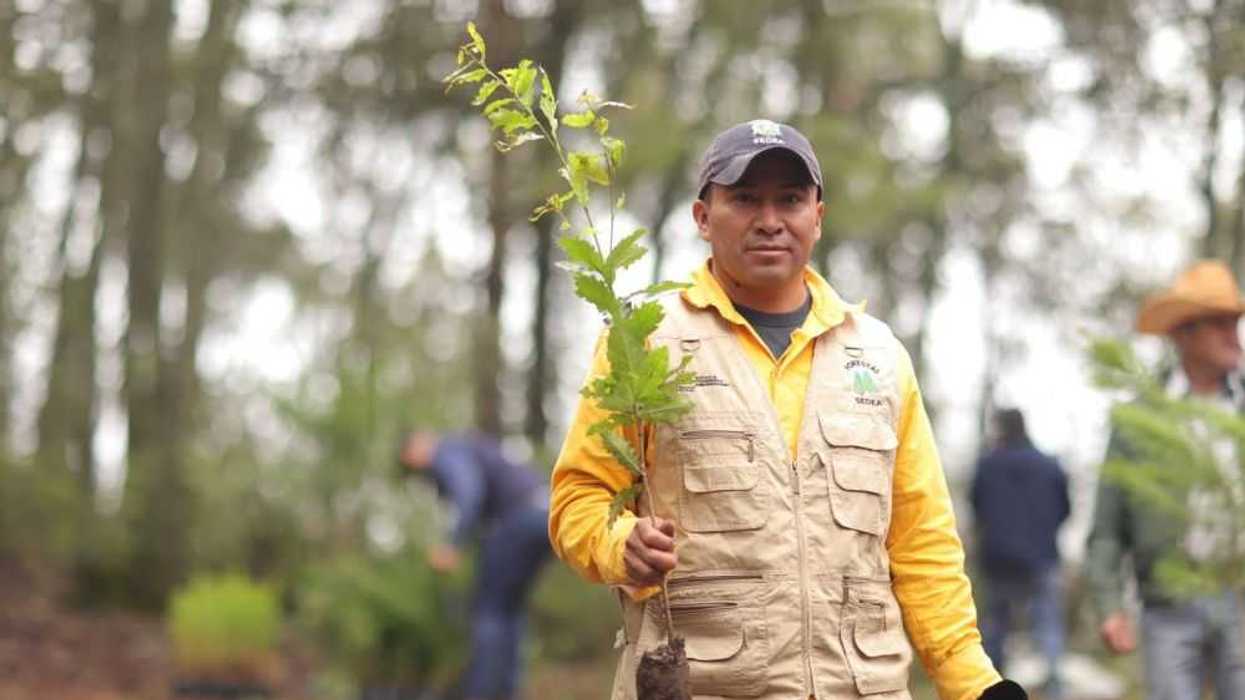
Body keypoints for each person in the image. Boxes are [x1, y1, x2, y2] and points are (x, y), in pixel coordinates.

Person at [549, 119, 1024, 700]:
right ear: (703, 217)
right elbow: (579, 499)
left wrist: (974, 682)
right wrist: (621, 544)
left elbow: (921, 541)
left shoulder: (879, 356)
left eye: (791, 200)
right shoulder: (645, 342)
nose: (770, 220)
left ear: (818, 217)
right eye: (745, 198)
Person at [1085, 259, 1245, 699]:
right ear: (1183, 333)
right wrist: (1110, 605)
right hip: (1168, 604)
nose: (1235, 335)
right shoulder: (1140, 421)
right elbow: (1106, 528)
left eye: (1237, 322)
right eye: (1220, 323)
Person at [399, 431, 551, 700]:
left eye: (410, 461)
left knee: (489, 610)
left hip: (518, 519)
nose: (417, 470)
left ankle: (484, 694)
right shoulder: (469, 446)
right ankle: (508, 691)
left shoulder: (447, 452)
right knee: (509, 608)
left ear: (418, 444)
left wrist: (452, 545)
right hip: (546, 514)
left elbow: (469, 491)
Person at [970, 408, 1070, 698]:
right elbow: (1065, 509)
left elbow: (977, 506)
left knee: (995, 629)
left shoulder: (988, 464)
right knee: (1048, 625)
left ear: (1002, 428)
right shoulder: (1050, 465)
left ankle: (990, 688)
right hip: (1041, 557)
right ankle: (1055, 690)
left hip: (998, 558)